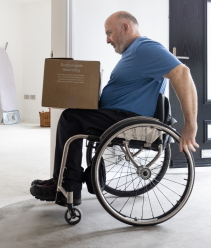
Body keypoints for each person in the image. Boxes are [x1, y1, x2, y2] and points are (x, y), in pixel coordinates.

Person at [30, 11, 199, 205]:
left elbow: (182, 73)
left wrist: (190, 124)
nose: (107, 40)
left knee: (70, 118)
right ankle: (65, 182)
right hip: (118, 115)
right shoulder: (134, 52)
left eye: (109, 33)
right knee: (73, 115)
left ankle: (67, 187)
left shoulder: (145, 47)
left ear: (126, 27)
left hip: (126, 119)